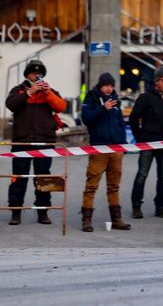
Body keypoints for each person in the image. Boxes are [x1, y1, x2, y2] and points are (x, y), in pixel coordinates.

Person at [5, 59, 66, 226]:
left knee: (44, 178)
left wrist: (48, 93)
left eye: (39, 74)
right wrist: (29, 92)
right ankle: (16, 212)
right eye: (33, 73)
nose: (37, 76)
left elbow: (61, 107)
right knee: (19, 178)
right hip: (22, 142)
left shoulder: (50, 91)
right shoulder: (18, 90)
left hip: (44, 142)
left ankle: (43, 212)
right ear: (27, 75)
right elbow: (10, 104)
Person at [80, 72, 131, 232]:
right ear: (100, 86)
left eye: (111, 85)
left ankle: (117, 219)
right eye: (106, 85)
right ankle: (86, 220)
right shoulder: (91, 98)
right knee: (91, 186)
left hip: (116, 150)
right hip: (99, 149)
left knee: (114, 186)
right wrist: (103, 108)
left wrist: (123, 146)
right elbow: (86, 119)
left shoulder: (116, 100)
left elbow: (121, 124)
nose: (109, 89)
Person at [129, 67, 163, 219]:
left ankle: (160, 207)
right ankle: (136, 206)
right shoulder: (145, 97)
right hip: (148, 142)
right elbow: (133, 118)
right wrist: (139, 137)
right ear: (156, 82)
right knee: (142, 174)